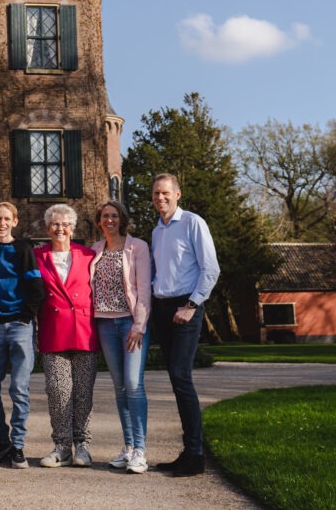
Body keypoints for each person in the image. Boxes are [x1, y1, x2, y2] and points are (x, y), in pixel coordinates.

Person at [149, 173, 220, 477]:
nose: (160, 198)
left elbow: (210, 268)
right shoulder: (157, 231)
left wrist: (191, 305)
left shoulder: (192, 222)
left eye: (165, 193)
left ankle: (195, 454)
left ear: (178, 194)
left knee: (181, 376)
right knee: (177, 380)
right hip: (162, 309)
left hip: (185, 307)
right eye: (155, 194)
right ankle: (188, 451)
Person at [0, 201, 43, 469]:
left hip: (19, 325)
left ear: (15, 221)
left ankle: (18, 446)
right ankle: (2, 440)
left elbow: (36, 286)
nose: (2, 223)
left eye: (7, 218)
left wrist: (26, 317)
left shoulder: (23, 249)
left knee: (19, 388)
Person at [33, 204, 98, 469]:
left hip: (84, 330)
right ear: (48, 228)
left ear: (73, 228)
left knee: (83, 392)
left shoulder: (89, 254)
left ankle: (83, 445)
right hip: (53, 329)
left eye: (65, 224)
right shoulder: (37, 256)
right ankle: (62, 446)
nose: (61, 229)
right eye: (55, 224)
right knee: (59, 391)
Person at [92, 200, 152, 474]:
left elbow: (143, 290)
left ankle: (140, 450)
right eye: (105, 216)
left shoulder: (137, 246)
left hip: (130, 323)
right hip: (105, 323)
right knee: (119, 386)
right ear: (99, 220)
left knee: (133, 383)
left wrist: (139, 325)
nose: (110, 220)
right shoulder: (95, 250)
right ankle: (128, 447)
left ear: (122, 219)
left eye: (114, 215)